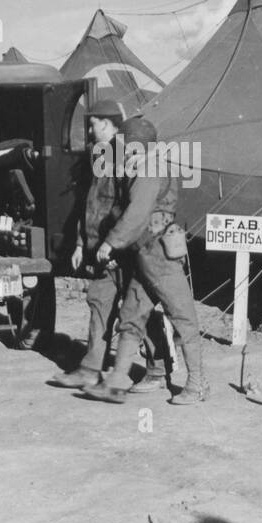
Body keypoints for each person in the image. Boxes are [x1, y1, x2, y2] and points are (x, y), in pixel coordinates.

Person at [84, 116, 208, 406]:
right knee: (131, 317)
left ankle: (198, 384)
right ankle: (115, 384)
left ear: (131, 142)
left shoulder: (149, 169)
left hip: (159, 258)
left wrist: (110, 242)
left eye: (123, 141)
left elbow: (138, 213)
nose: (119, 145)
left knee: (184, 319)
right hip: (145, 256)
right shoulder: (142, 166)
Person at [50, 101, 172, 389]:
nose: (89, 130)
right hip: (103, 248)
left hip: (124, 250)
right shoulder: (102, 157)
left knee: (138, 309)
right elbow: (91, 204)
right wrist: (82, 242)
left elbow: (127, 210)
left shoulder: (129, 156)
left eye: (92, 124)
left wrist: (115, 246)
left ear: (107, 124)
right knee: (99, 301)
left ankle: (157, 370)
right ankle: (91, 368)